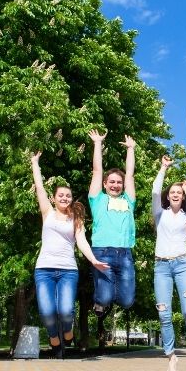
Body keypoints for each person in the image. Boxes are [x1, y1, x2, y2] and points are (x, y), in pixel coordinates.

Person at [31, 152, 109, 358]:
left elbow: (82, 241)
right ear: (53, 198)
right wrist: (34, 163)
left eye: (68, 196)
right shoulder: (47, 212)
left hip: (68, 271)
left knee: (66, 311)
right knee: (47, 312)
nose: (65, 198)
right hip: (44, 269)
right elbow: (39, 187)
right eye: (60, 195)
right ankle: (54, 339)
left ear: (71, 198)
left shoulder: (76, 219)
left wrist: (93, 260)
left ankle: (67, 333)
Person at [152, 155, 186, 371]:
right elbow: (154, 190)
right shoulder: (159, 214)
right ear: (168, 196)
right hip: (161, 266)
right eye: (173, 192)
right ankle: (171, 357)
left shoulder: (185, 216)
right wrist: (163, 168)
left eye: (179, 193)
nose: (175, 194)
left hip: (182, 265)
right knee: (164, 315)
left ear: (182, 197)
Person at [88, 130, 136, 316]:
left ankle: (107, 294)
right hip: (102, 252)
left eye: (119, 182)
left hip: (125, 254)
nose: (115, 185)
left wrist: (131, 149)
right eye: (112, 182)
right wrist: (98, 143)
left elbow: (130, 175)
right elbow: (97, 170)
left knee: (127, 301)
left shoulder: (128, 200)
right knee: (105, 298)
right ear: (105, 184)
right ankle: (100, 300)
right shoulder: (97, 199)